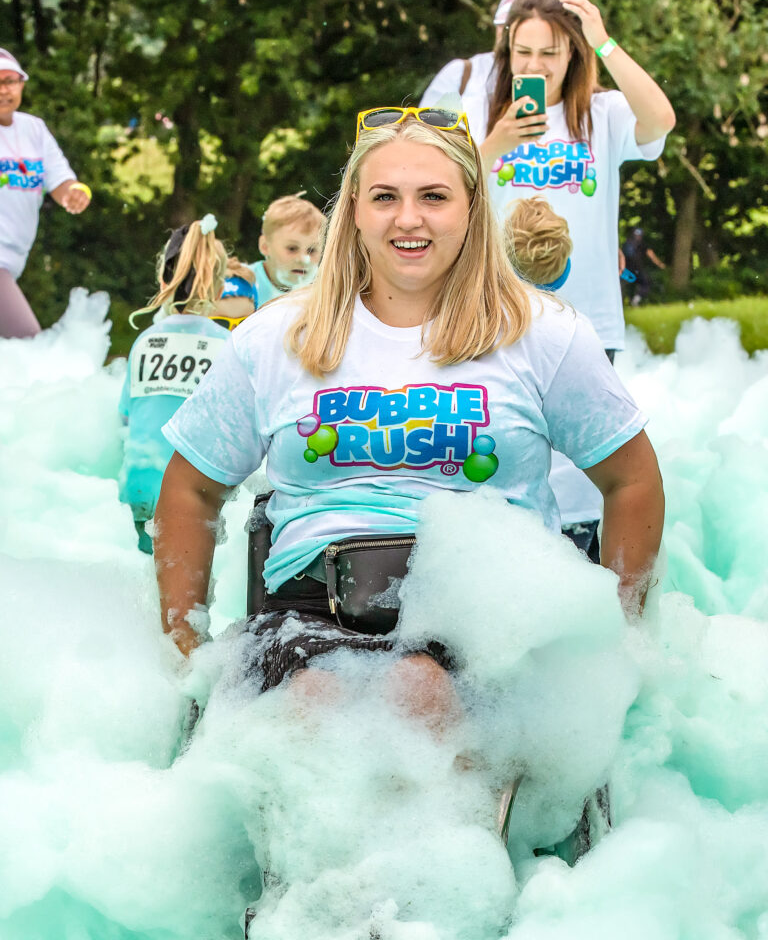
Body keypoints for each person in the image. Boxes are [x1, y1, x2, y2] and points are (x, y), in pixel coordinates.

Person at [154, 107, 664, 703]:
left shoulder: (543, 333)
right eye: (384, 197)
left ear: (472, 208)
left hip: (489, 614)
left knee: (419, 693)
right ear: (353, 213)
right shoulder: (274, 338)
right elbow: (191, 490)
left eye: (434, 196)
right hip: (308, 613)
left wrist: (616, 643)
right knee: (314, 703)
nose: (408, 218)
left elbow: (632, 481)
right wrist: (187, 653)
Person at [481, 0, 675, 356]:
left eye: (548, 53)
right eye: (523, 52)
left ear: (572, 52)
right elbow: (447, 191)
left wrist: (602, 42)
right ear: (508, 52)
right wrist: (494, 145)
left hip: (588, 324)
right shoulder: (482, 112)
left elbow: (661, 120)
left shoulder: (601, 113)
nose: (534, 65)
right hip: (500, 320)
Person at [118, 215, 231, 554]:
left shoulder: (145, 341)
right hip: (188, 492)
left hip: (137, 482)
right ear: (220, 286)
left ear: (162, 277)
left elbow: (126, 416)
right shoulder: (226, 345)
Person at [504, 196, 605, 561]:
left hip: (518, 516)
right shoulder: (576, 332)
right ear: (565, 268)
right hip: (581, 502)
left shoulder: (488, 333)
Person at [0, 48, 92, 338]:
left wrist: (74, 193)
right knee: (26, 342)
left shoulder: (34, 129)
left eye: (10, 81)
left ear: (22, 84)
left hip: (13, 260)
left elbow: (60, 180)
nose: (4, 90)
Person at [419, 0, 525, 143]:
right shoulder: (462, 73)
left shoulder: (558, 76)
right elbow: (424, 137)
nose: (509, 35)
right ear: (496, 28)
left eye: (519, 28)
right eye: (505, 26)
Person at [249, 193, 326, 307]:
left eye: (312, 250)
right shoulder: (243, 284)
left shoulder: (323, 291)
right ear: (265, 246)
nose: (304, 259)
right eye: (292, 248)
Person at [620, 226, 666, 306]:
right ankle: (634, 300)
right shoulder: (640, 244)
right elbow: (651, 255)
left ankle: (628, 301)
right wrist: (660, 264)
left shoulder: (627, 243)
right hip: (635, 270)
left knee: (624, 285)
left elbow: (620, 256)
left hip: (627, 270)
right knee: (646, 283)